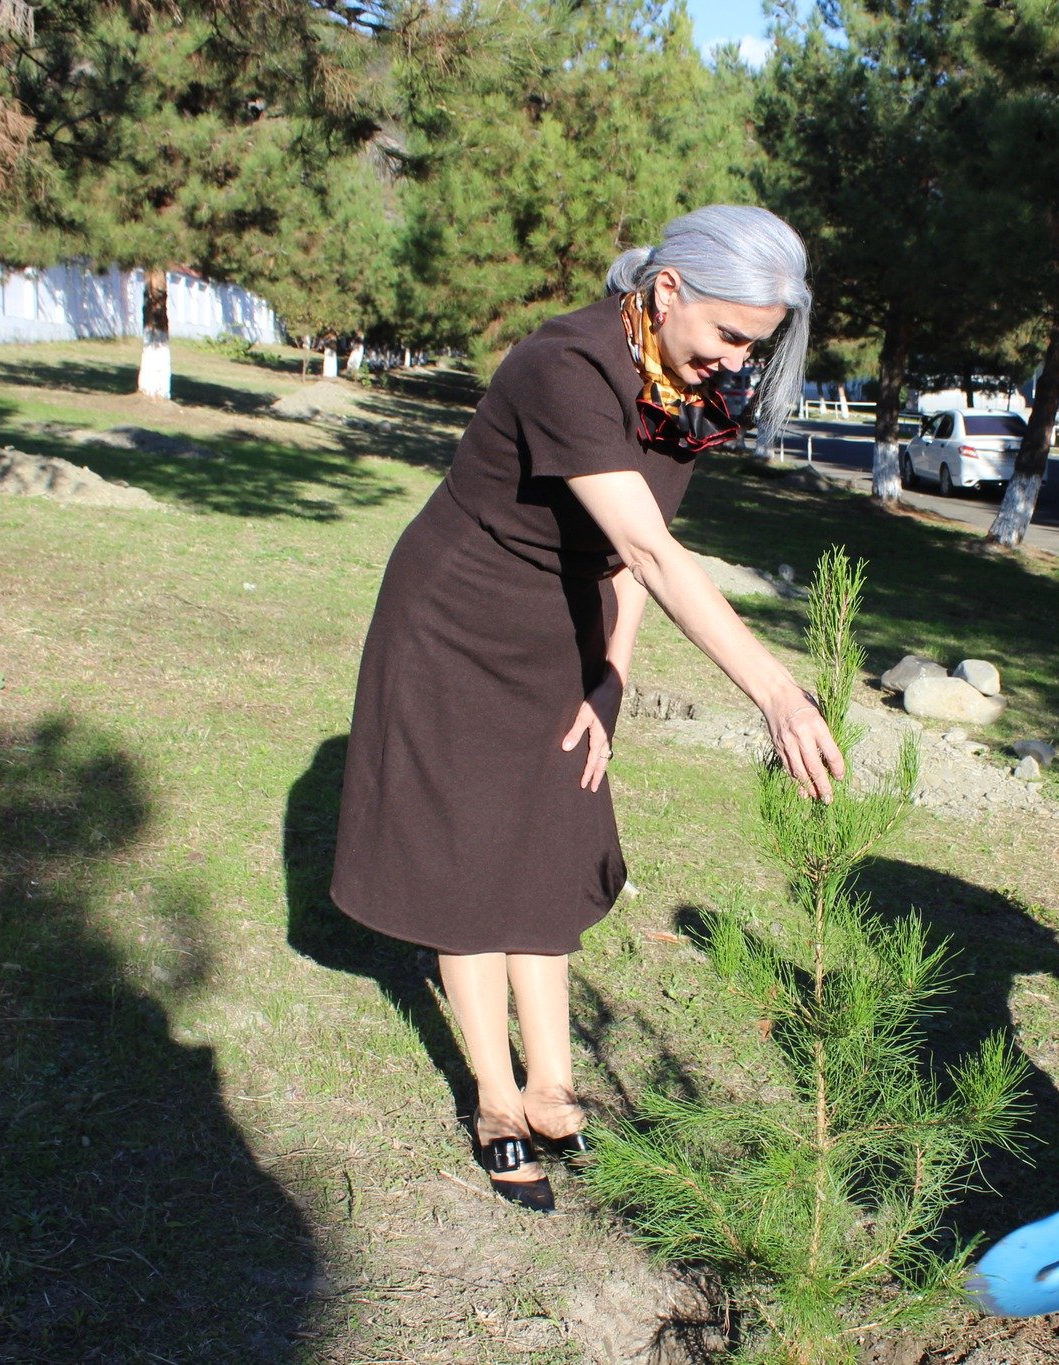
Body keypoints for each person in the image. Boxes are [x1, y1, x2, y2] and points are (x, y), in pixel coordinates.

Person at [330, 206, 844, 1212]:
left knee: (548, 842)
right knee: (470, 857)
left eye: (757, 345)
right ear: (666, 293)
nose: (738, 362)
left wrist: (608, 677)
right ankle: (494, 1099)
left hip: (561, 625)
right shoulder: (563, 366)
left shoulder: (681, 384)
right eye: (731, 336)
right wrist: (775, 691)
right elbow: (655, 551)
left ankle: (555, 1086)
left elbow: (625, 560)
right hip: (457, 625)